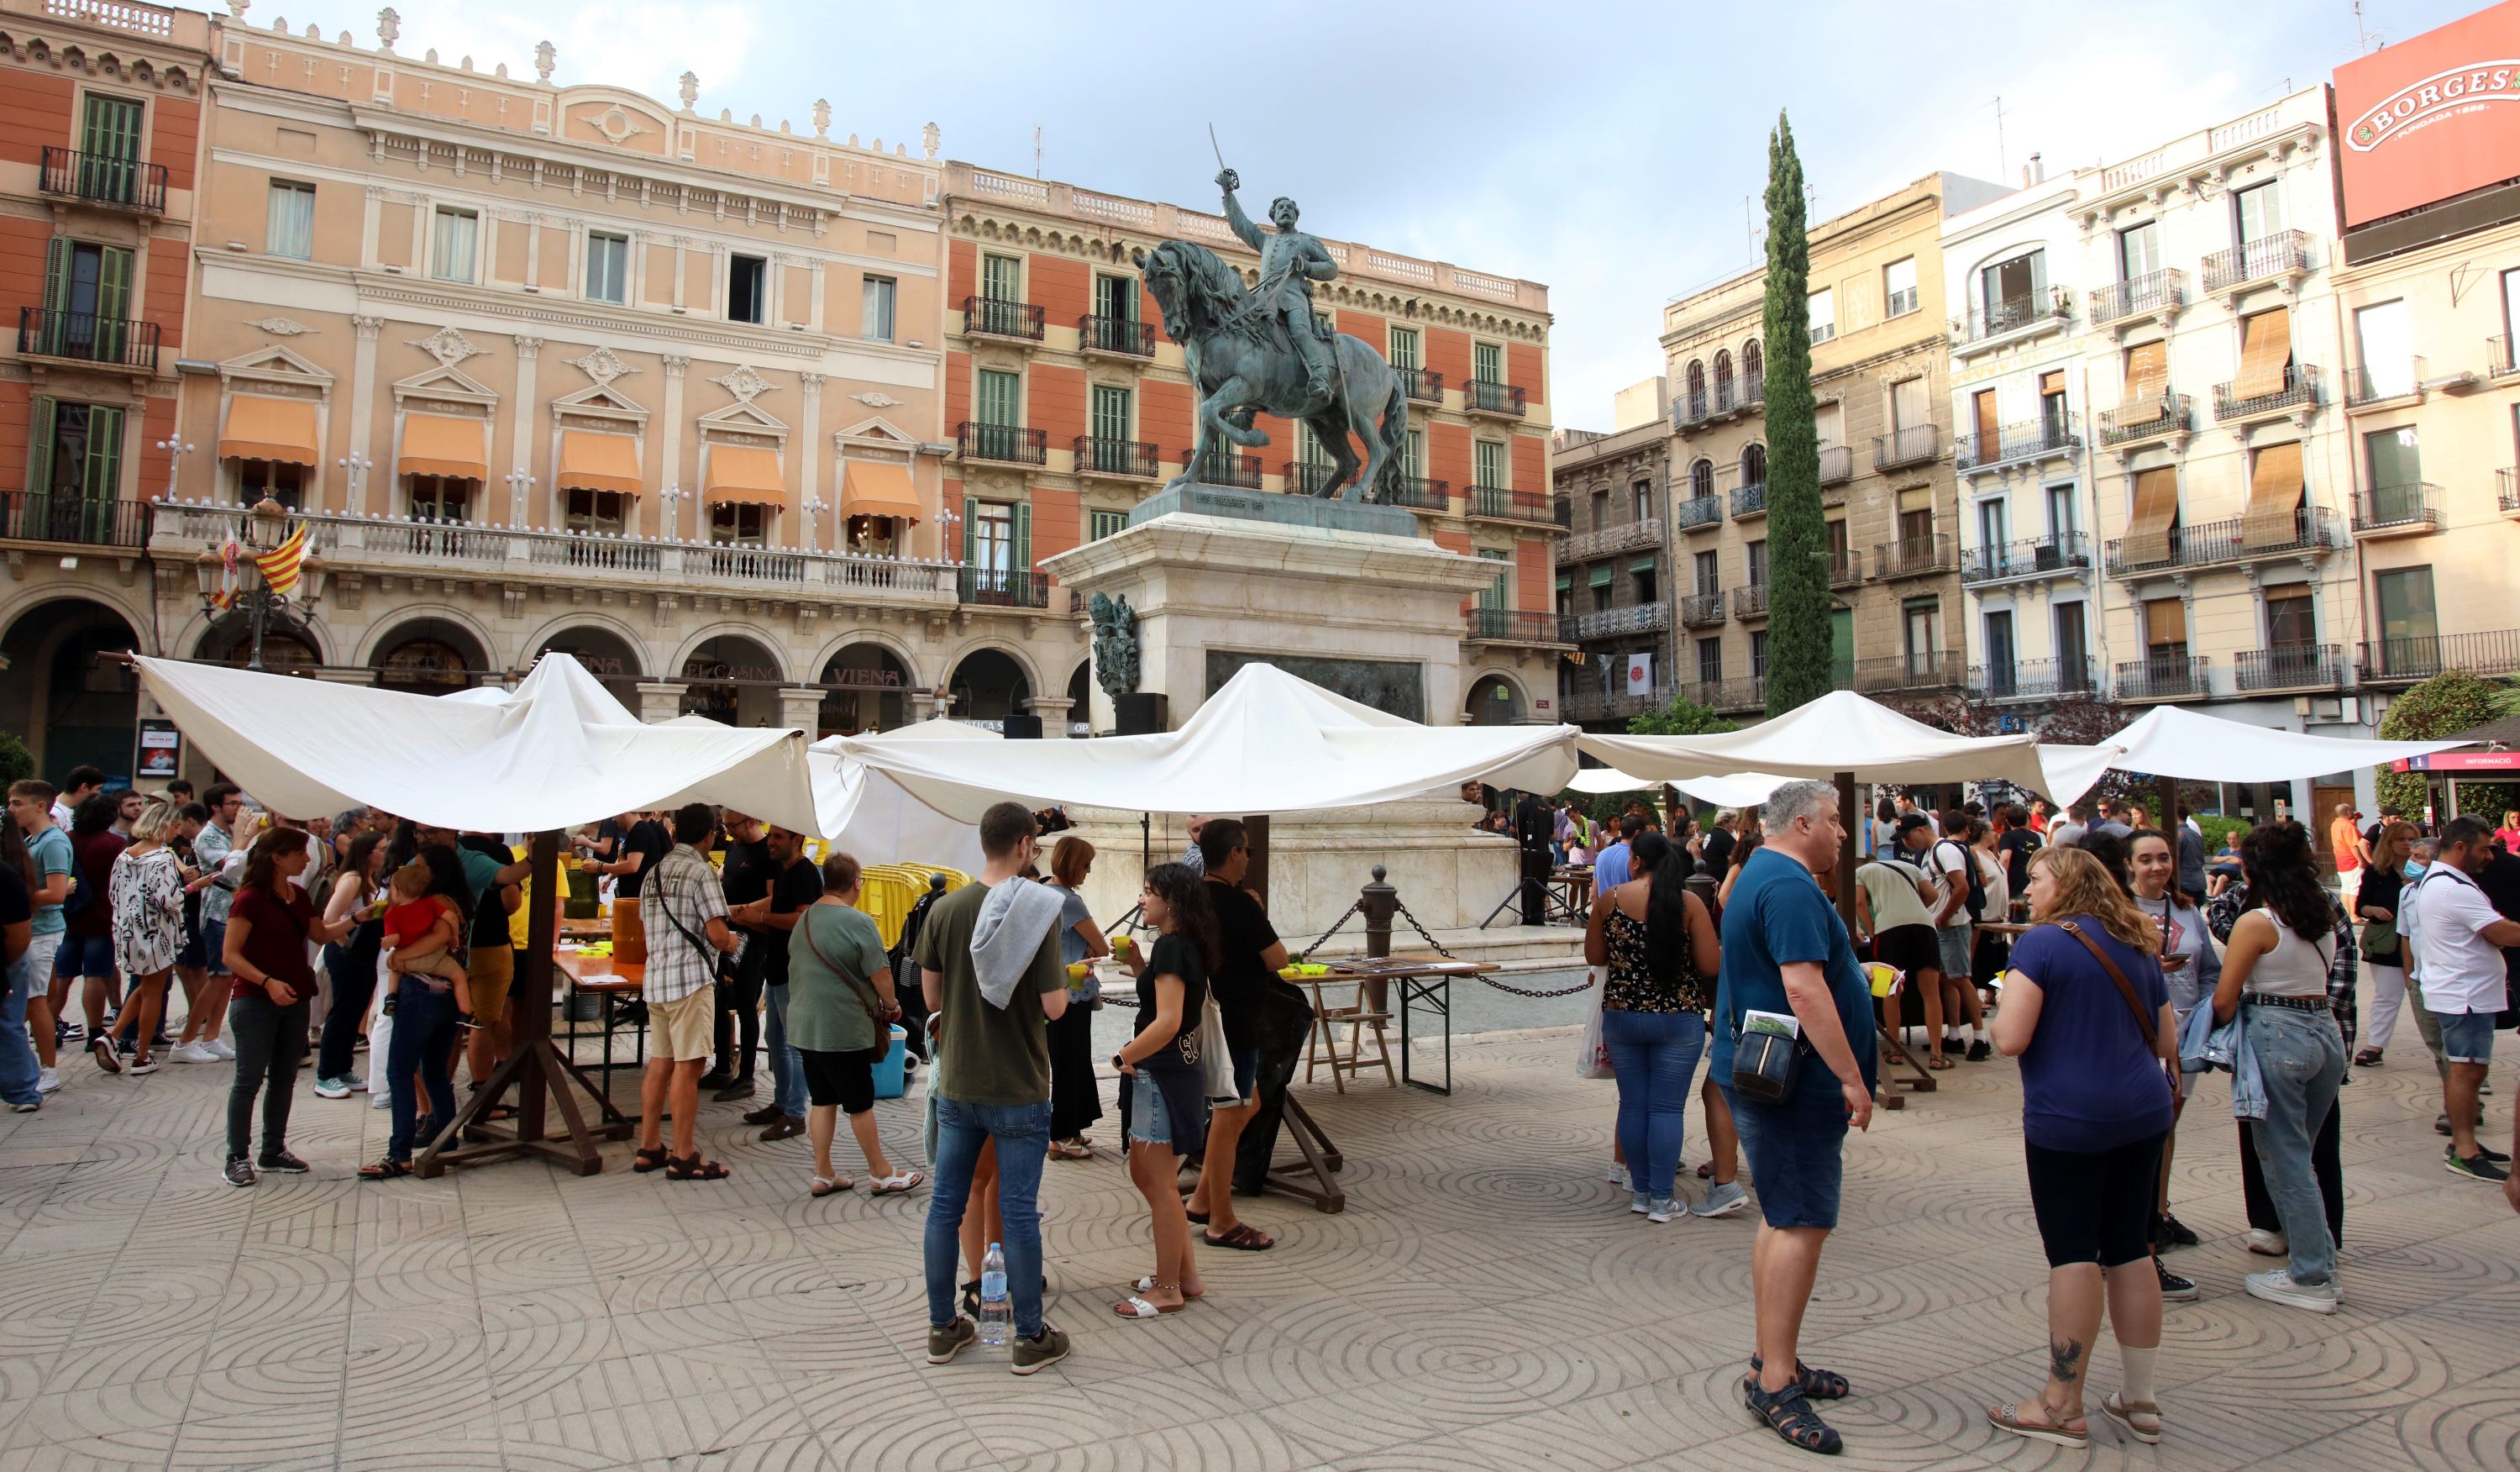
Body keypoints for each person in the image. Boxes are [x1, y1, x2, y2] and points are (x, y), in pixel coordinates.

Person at [1986, 845, 2176, 1449]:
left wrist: (1995, 1010)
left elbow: (2011, 1038)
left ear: (2065, 883)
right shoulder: (2138, 938)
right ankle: (2140, 1399)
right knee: (2128, 1247)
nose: (2028, 890)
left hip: (2069, 1120)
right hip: (2143, 1114)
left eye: (2036, 879)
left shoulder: (2040, 945)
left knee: (2073, 1253)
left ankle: (2062, 1403)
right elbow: (2167, 1036)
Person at [1710, 779, 1875, 1455]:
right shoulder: (1790, 887)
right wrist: (1851, 1076)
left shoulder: (1758, 875)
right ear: (1803, 823)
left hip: (1767, 1075)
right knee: (1800, 1222)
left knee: (1783, 1218)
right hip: (1795, 1083)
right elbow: (1804, 989)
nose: (1843, 832)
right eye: (1835, 821)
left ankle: (1771, 1356)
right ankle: (1776, 1380)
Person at [918, 802, 1072, 1374]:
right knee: (1019, 1210)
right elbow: (1054, 1007)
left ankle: (943, 1328)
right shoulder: (1038, 909)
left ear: (984, 843)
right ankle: (1028, 1337)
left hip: (959, 1082)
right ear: (1027, 845)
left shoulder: (946, 908)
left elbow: (931, 1001)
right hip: (1019, 1083)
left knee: (945, 1206)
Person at [2210, 823, 2350, 1310]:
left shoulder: (2257, 922)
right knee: (2302, 1157)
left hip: (2278, 1033)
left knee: (2286, 1161)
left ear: (2251, 871)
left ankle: (2312, 1276)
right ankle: (2321, 1263)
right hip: (2325, 1034)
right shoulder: (2320, 916)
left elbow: (2226, 999)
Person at [1587, 829, 1721, 1222]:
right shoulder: (1689, 903)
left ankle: (1641, 1192)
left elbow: (1594, 955)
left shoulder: (1610, 899)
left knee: (1633, 1104)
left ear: (1636, 861)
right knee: (1666, 1108)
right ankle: (1662, 1200)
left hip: (1623, 1014)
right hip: (1679, 1018)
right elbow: (1710, 965)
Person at [1111, 862, 1219, 1318]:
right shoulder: (1175, 947)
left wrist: (1124, 1057)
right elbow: (1166, 1004)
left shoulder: (1175, 948)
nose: (1142, 900)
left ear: (1170, 901)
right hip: (1165, 1071)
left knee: (1158, 1184)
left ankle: (1168, 1288)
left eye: (1148, 892)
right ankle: (1185, 1276)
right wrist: (1139, 965)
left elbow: (1169, 1021)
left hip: (1162, 1073)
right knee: (1152, 1177)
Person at [220, 828, 355, 1186]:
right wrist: (266, 981)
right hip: (255, 1000)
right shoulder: (249, 899)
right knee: (248, 1080)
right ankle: (237, 1156)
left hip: (295, 997)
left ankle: (273, 1149)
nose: (307, 859)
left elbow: (320, 935)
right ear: (277, 857)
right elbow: (230, 955)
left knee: (284, 1078)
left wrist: (359, 918)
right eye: (300, 853)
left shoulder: (296, 894)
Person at [787, 849, 921, 1198]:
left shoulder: (804, 919)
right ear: (856, 884)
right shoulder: (859, 923)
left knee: (822, 1099)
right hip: (841, 1028)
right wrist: (891, 1006)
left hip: (804, 1026)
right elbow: (882, 975)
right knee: (859, 1102)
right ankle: (881, 1172)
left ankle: (824, 1173)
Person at [2126, 827, 2217, 1300]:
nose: (2157, 866)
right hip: (2142, 1035)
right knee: (2150, 1130)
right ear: (2130, 866)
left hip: (2185, 1032)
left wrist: (2203, 1019)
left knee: (2170, 1125)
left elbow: (2210, 973)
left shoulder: (2186, 909)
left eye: (2163, 858)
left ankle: (2158, 1211)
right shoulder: (2121, 913)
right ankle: (2139, 1226)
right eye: (2146, 859)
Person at [2407, 815, 2520, 1185]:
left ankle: (2464, 1141)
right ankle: (2465, 1149)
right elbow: (2501, 932)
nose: (2490, 856)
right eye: (2484, 848)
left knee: (2468, 1069)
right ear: (2460, 847)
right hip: (2464, 996)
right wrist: (2502, 933)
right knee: (2466, 1069)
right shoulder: (2453, 888)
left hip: (2462, 992)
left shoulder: (2445, 882)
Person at [1189, 819, 1285, 1250]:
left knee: (1249, 1104)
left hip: (1204, 1017)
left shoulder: (1191, 899)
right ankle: (1222, 1221)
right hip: (1236, 1020)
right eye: (1247, 851)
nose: (1249, 857)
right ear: (1233, 853)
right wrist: (1257, 912)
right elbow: (1277, 958)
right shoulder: (1239, 904)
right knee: (1231, 1115)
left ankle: (1201, 1197)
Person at [634, 803, 740, 1181]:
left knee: (661, 1061)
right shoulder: (701, 872)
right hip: (690, 981)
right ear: (710, 835)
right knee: (690, 1066)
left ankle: (649, 1146)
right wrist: (731, 945)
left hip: (657, 979)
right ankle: (683, 1154)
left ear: (676, 832)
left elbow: (646, 927)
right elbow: (716, 934)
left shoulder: (654, 873)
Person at [360, 859, 471, 1178]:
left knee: (400, 1071)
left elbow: (436, 938)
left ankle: (400, 1153)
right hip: (446, 991)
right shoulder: (448, 904)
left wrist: (400, 957)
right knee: (434, 1070)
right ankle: (446, 1138)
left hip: (420, 992)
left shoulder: (431, 904)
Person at [732, 824, 823, 1143]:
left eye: (778, 837)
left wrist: (758, 919)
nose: (770, 842)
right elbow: (775, 905)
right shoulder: (783, 870)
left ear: (797, 839)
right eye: (770, 836)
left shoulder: (804, 873)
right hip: (777, 969)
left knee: (795, 1045)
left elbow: (803, 918)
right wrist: (746, 912)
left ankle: (796, 1115)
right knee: (776, 1039)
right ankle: (782, 1103)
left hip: (796, 972)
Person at [103, 797, 186, 1076]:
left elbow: (113, 894)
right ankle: (140, 1055)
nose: (178, 833)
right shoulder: (162, 857)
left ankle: (113, 1036)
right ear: (168, 825)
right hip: (156, 933)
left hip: (127, 932)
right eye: (176, 827)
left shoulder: (125, 855)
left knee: (143, 987)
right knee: (154, 992)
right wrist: (192, 887)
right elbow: (168, 899)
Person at [1042, 836, 1109, 1159]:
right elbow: (1102, 947)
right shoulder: (1070, 901)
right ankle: (1061, 1135)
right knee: (1072, 1062)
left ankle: (1072, 1129)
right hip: (1074, 989)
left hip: (1052, 987)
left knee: (1067, 1061)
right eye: (1085, 865)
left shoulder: (1042, 891)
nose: (1088, 872)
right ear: (1072, 865)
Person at [1856, 833, 1947, 1067]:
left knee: (1890, 989)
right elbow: (1932, 894)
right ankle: (1937, 1054)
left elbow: (1858, 903)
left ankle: (1894, 1050)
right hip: (1924, 927)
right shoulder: (1908, 866)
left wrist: (1872, 928)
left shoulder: (1862, 872)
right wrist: (1914, 909)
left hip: (1890, 929)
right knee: (1931, 992)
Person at [312, 831, 390, 1099]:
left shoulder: (371, 877)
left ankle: (342, 1068)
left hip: (363, 954)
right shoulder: (353, 879)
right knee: (343, 1011)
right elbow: (329, 919)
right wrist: (347, 945)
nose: (386, 852)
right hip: (346, 952)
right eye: (381, 849)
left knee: (354, 1010)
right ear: (367, 853)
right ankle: (326, 1074)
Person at [9, 780, 75, 1094]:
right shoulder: (35, 839)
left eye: (16, 803)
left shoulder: (52, 842)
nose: (11, 810)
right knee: (31, 1001)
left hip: (42, 932)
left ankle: (48, 1070)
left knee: (36, 1001)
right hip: (34, 930)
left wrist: (16, 897)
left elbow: (58, 892)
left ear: (39, 806)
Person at [704, 808, 773, 1098]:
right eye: (725, 825)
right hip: (726, 935)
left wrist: (740, 910)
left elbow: (774, 898)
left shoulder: (767, 852)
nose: (728, 831)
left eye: (733, 825)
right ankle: (722, 1066)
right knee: (719, 999)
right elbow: (725, 875)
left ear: (753, 820)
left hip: (753, 938)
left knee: (746, 1004)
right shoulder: (735, 846)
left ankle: (746, 1075)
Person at [181, 782, 244, 1065]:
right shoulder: (208, 836)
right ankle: (185, 1041)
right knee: (217, 977)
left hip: (233, 912)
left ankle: (212, 1037)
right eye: (233, 804)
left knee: (227, 978)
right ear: (216, 807)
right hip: (216, 912)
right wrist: (244, 837)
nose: (238, 809)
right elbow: (230, 868)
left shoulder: (230, 833)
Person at [2353, 820, 2415, 1069]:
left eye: (2412, 839)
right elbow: (2360, 907)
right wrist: (2374, 910)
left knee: (2429, 996)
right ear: (2389, 843)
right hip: (2387, 942)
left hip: (2420, 942)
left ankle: (2445, 1048)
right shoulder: (2376, 873)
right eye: (2402, 839)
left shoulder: (2425, 870)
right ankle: (2374, 1046)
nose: (2407, 844)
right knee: (2387, 995)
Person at [0, 815, 38, 1112]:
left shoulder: (6, 875)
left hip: (7, 958)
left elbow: (18, 936)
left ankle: (22, 1089)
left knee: (8, 1022)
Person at [1514, 788, 1553, 927]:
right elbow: (1551, 834)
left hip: (1527, 853)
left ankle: (1526, 917)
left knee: (1526, 887)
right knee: (1539, 888)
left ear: (1525, 793)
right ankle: (1537, 917)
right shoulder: (1548, 808)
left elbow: (1514, 829)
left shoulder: (1524, 805)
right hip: (1544, 852)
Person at [1996, 803, 2042, 908]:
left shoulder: (2007, 836)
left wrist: (2002, 879)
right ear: (2027, 819)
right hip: (2031, 882)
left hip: (2014, 885)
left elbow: (2005, 858)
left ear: (2007, 821)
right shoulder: (2035, 837)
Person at [1594, 812, 1646, 891]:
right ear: (1638, 833)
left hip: (1604, 903)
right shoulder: (1638, 857)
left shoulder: (1602, 855)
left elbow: (1594, 895)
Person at [50, 765, 102, 829]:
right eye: (98, 789)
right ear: (84, 787)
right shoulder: (54, 813)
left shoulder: (71, 811)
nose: (99, 793)